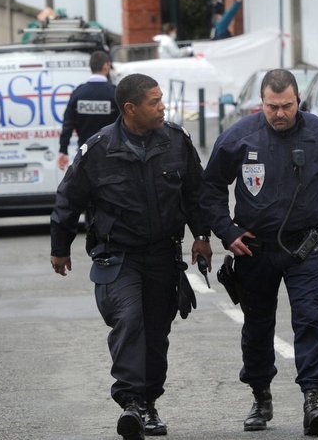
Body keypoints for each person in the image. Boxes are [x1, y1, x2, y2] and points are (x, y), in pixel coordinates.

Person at [201, 68, 318, 436]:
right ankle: (260, 396)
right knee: (258, 327)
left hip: (305, 245)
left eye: (287, 106)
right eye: (273, 106)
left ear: (298, 101)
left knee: (310, 320)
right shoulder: (238, 137)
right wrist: (227, 233)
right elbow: (208, 189)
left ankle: (313, 399)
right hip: (254, 248)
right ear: (262, 103)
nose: (280, 113)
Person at [51, 73, 213, 440]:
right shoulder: (98, 150)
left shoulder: (176, 141)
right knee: (130, 318)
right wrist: (59, 248)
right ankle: (130, 403)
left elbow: (195, 193)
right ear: (130, 109)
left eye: (162, 100)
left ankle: (148, 403)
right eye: (154, 102)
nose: (162, 107)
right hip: (118, 256)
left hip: (163, 255)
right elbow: (67, 198)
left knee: (156, 332)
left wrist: (202, 236)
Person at [57, 51, 118, 170]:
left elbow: (68, 124)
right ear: (106, 66)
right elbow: (125, 124)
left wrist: (63, 150)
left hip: (86, 155)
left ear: (91, 67)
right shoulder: (114, 93)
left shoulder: (78, 93)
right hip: (111, 155)